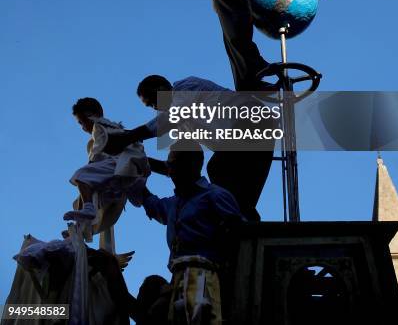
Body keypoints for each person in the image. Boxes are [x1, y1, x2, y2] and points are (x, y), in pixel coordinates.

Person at [103, 74, 276, 221]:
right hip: (253, 140)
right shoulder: (183, 125)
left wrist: (129, 137)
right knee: (240, 200)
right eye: (151, 106)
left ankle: (240, 220)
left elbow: (171, 117)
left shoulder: (187, 87)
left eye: (153, 100)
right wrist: (141, 160)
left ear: (164, 86)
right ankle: (248, 226)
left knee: (218, 169)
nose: (155, 107)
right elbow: (180, 165)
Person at [127, 142, 243, 324]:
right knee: (150, 286)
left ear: (192, 165)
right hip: (178, 276)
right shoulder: (175, 203)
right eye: (170, 165)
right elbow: (153, 205)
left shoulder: (215, 196)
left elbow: (239, 235)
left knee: (159, 311)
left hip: (204, 277)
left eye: (174, 165)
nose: (170, 171)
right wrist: (130, 169)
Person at [63, 97, 150, 222]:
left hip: (119, 165)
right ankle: (80, 227)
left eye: (81, 122)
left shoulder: (99, 127)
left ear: (89, 116)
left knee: (81, 176)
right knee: (93, 194)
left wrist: (91, 164)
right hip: (133, 173)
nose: (82, 128)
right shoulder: (116, 128)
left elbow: (98, 149)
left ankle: (86, 215)